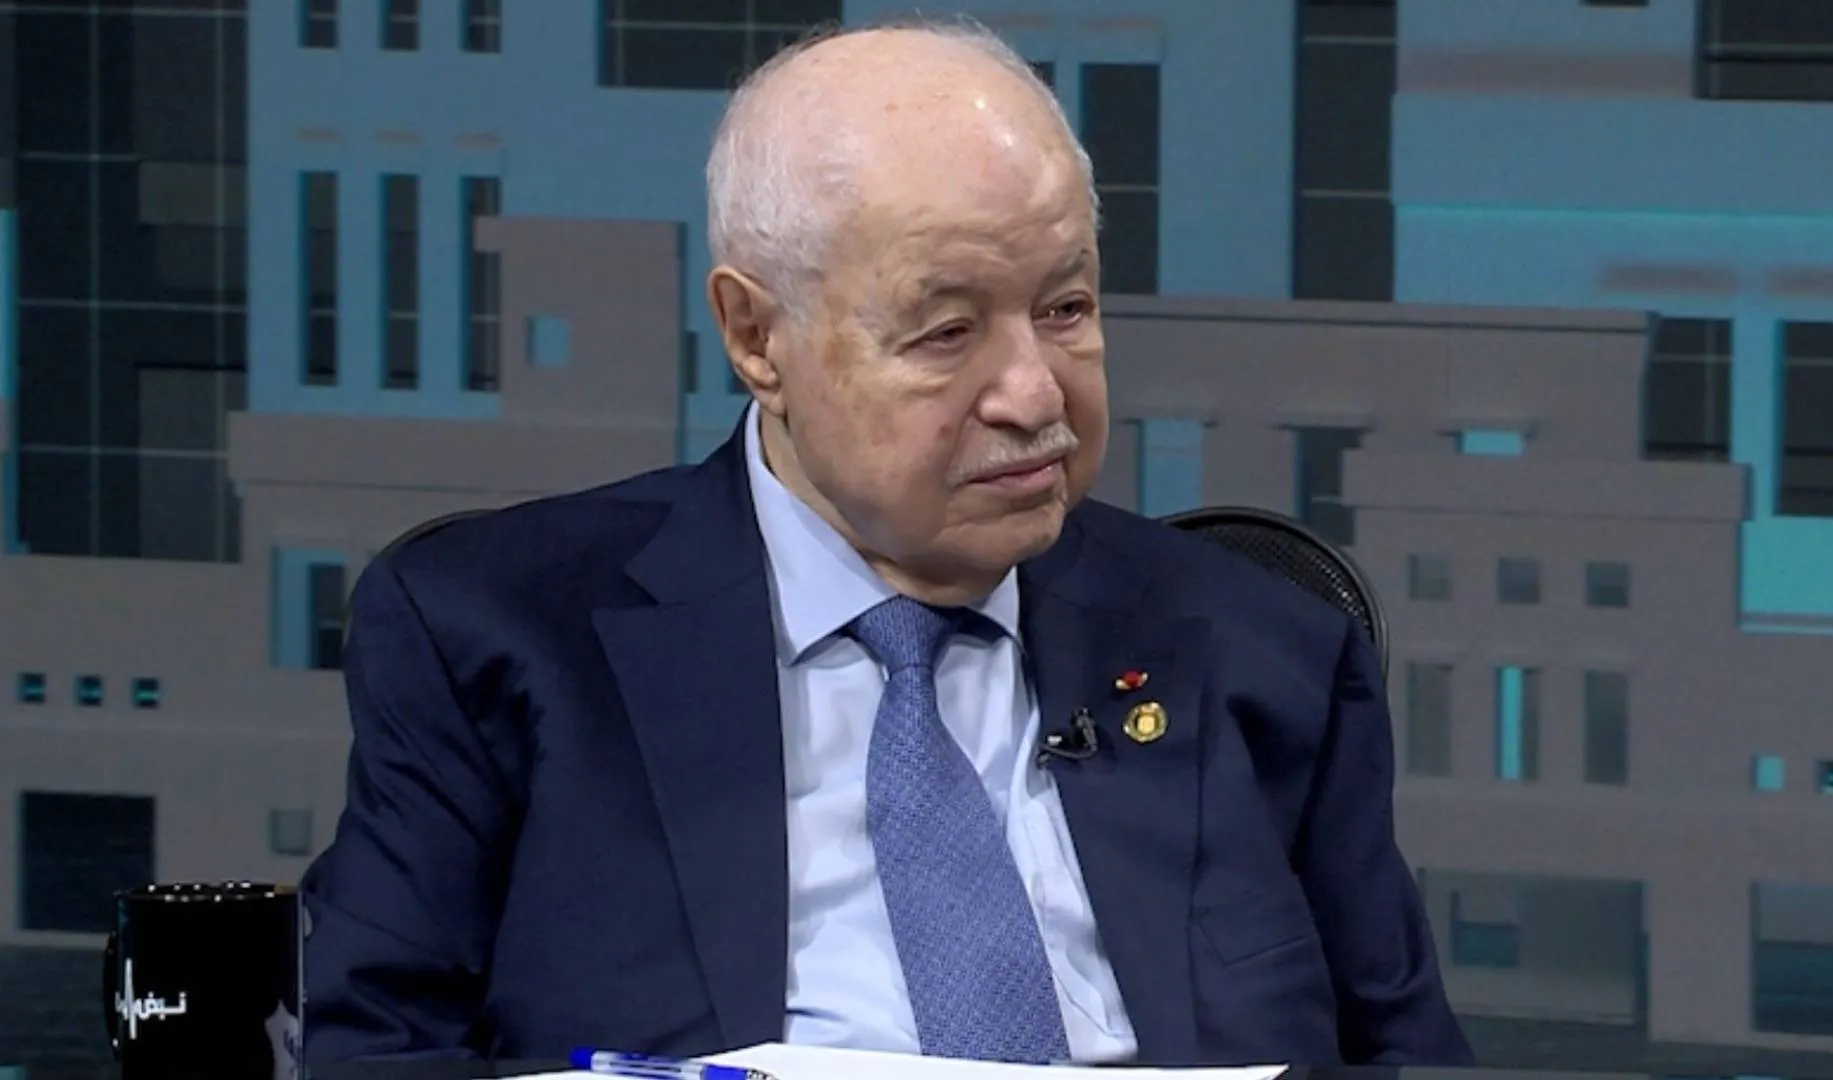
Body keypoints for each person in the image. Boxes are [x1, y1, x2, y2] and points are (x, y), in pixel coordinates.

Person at [301, 17, 1472, 1069]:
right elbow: (373, 1051)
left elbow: (1403, 1055)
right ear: (756, 336)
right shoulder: (501, 638)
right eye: (948, 330)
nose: (1034, 393)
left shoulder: (1265, 647)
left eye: (1065, 309)